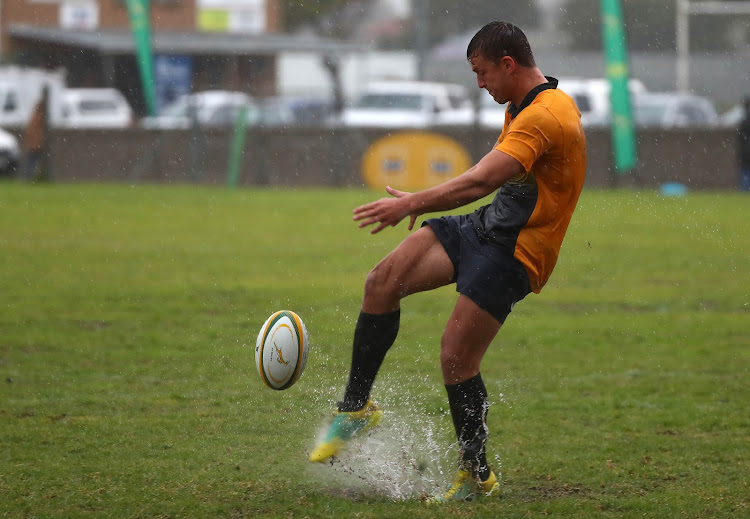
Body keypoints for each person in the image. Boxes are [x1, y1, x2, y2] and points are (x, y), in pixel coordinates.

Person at [309, 20, 587, 502]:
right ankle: (355, 409)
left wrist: (411, 203)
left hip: (517, 251)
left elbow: (480, 181)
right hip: (485, 227)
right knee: (382, 280)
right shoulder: (526, 104)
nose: (479, 84)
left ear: (508, 64)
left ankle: (477, 476)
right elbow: (490, 184)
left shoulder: (547, 116)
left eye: (482, 73)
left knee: (457, 358)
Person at [22, 87, 49, 182]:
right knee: (32, 161)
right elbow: (34, 133)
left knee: (31, 161)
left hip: (34, 145)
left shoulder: (35, 117)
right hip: (35, 146)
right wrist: (38, 143)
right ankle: (28, 177)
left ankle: (29, 177)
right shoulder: (37, 118)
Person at [738, 96, 750, 191]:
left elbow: (741, 138)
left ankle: (745, 190)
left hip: (744, 153)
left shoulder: (744, 122)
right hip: (745, 152)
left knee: (745, 172)